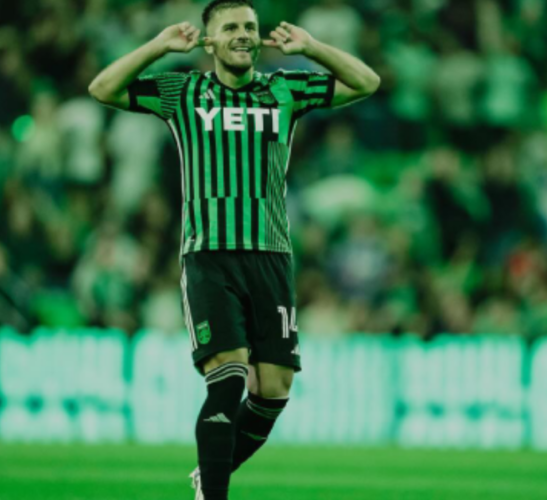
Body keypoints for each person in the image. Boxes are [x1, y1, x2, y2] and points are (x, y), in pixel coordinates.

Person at [89, 1, 379, 498]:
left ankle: (210, 473)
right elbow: (103, 88)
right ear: (209, 41)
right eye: (230, 28)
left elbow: (366, 82)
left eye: (249, 27)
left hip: (272, 256)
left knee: (273, 391)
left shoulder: (284, 87)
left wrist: (312, 48)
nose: (243, 35)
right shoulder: (183, 91)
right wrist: (159, 46)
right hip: (209, 257)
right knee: (226, 381)